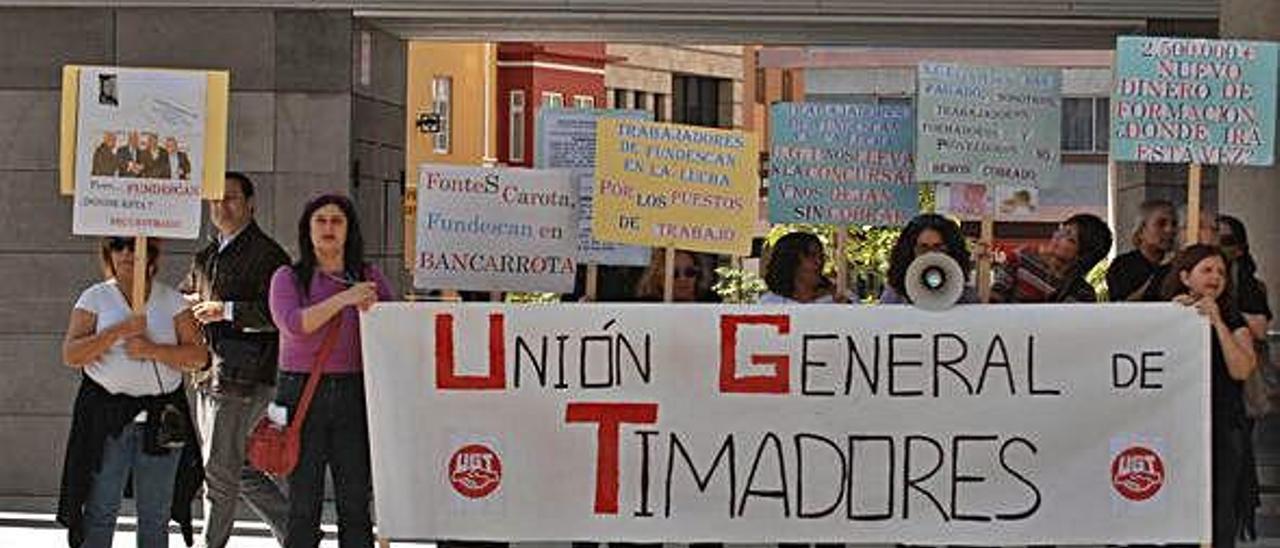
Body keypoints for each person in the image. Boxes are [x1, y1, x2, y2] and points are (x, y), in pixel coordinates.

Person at [57, 237, 207, 548]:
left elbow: (198, 357)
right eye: (118, 245)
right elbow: (72, 354)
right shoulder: (94, 298)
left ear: (151, 255)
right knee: (100, 510)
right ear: (108, 254)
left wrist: (153, 349)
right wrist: (117, 332)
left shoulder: (172, 302)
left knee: (155, 514)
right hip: (107, 419)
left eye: (135, 246)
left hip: (162, 419)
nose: (127, 253)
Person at [269, 194, 393, 548]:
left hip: (355, 391)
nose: (328, 228)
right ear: (307, 231)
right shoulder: (288, 277)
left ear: (349, 230)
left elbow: (393, 327)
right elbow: (294, 325)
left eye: (336, 221)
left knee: (355, 501)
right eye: (320, 221)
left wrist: (372, 303)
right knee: (302, 504)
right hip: (300, 393)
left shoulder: (369, 277)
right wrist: (345, 299)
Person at [183, 173, 292, 548]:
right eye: (215, 199)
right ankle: (297, 532)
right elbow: (188, 291)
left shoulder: (268, 255)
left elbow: (280, 313)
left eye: (230, 198)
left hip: (243, 377)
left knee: (219, 472)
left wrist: (226, 310)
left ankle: (210, 544)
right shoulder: (207, 254)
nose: (221, 206)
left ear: (250, 204)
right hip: (207, 373)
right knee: (236, 468)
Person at [1160, 245, 1257, 548]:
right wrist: (1173, 318)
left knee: (1219, 507)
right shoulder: (1166, 313)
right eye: (1207, 270)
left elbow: (1242, 369)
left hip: (1222, 426)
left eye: (1221, 272)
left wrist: (1217, 323)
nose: (1215, 277)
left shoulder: (1232, 319)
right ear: (1186, 277)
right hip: (1177, 427)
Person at [990, 213, 1112, 304]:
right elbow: (994, 301)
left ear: (1082, 255)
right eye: (1062, 229)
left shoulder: (1083, 294)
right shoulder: (1020, 259)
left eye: (1070, 239)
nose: (1058, 235)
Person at [880, 213, 977, 305]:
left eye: (938, 247)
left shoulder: (966, 296)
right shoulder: (894, 297)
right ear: (908, 252)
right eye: (923, 248)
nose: (930, 254)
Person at [1107, 199, 1178, 302]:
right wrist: (1160, 272)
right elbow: (1124, 305)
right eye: (1161, 224)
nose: (1169, 230)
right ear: (1141, 231)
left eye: (1174, 224)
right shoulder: (1122, 265)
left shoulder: (1178, 264)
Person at [759, 232, 843, 304]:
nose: (819, 262)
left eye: (821, 256)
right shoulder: (769, 303)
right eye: (811, 256)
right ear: (790, 261)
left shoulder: (839, 298)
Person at [634, 249, 718, 302]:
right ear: (658, 279)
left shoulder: (711, 310)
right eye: (674, 274)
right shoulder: (648, 312)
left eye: (690, 272)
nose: (683, 279)